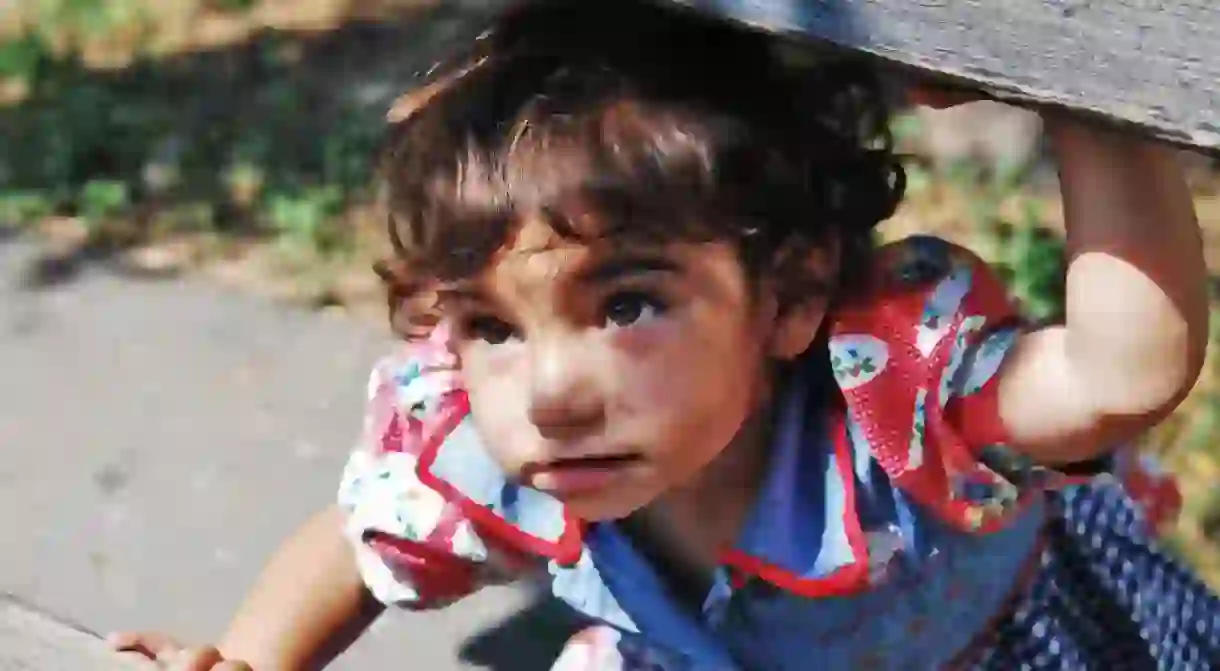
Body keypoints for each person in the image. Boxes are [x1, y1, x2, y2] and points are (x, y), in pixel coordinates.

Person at [109, 1, 1217, 668]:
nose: (548, 392)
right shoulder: (503, 456)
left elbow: (1123, 372)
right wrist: (251, 654)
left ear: (786, 297)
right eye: (492, 325)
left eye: (626, 303)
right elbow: (355, 542)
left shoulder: (887, 414)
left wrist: (1087, 107)